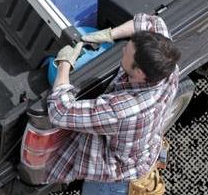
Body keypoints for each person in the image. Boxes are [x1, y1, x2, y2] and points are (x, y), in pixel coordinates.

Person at [45, 13, 181, 195]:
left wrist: (63, 64)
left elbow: (60, 112)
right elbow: (152, 22)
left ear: (139, 73)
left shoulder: (124, 110)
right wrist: (109, 34)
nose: (123, 48)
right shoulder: (167, 67)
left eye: (128, 51)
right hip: (143, 153)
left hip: (114, 181)